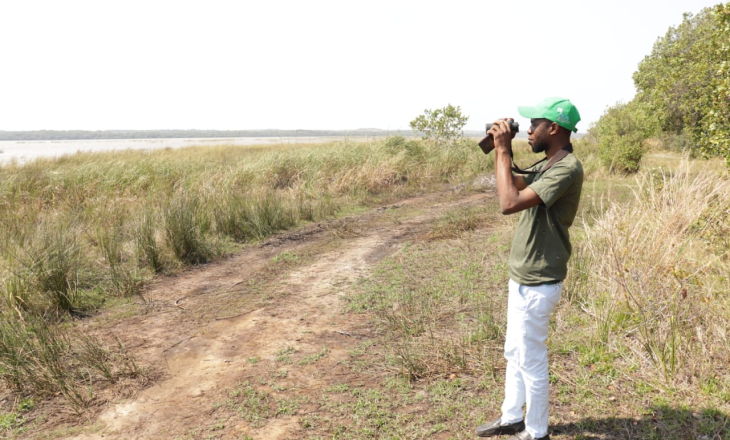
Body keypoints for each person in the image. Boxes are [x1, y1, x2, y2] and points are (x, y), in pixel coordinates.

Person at [475, 97, 584, 440]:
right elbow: (514, 184)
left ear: (553, 128)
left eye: (534, 125)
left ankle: (536, 431)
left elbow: (509, 203)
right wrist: (498, 147)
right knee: (514, 352)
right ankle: (511, 416)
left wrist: (504, 150)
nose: (529, 132)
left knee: (531, 358)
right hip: (523, 277)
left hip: (538, 283)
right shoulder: (548, 164)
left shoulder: (566, 168)